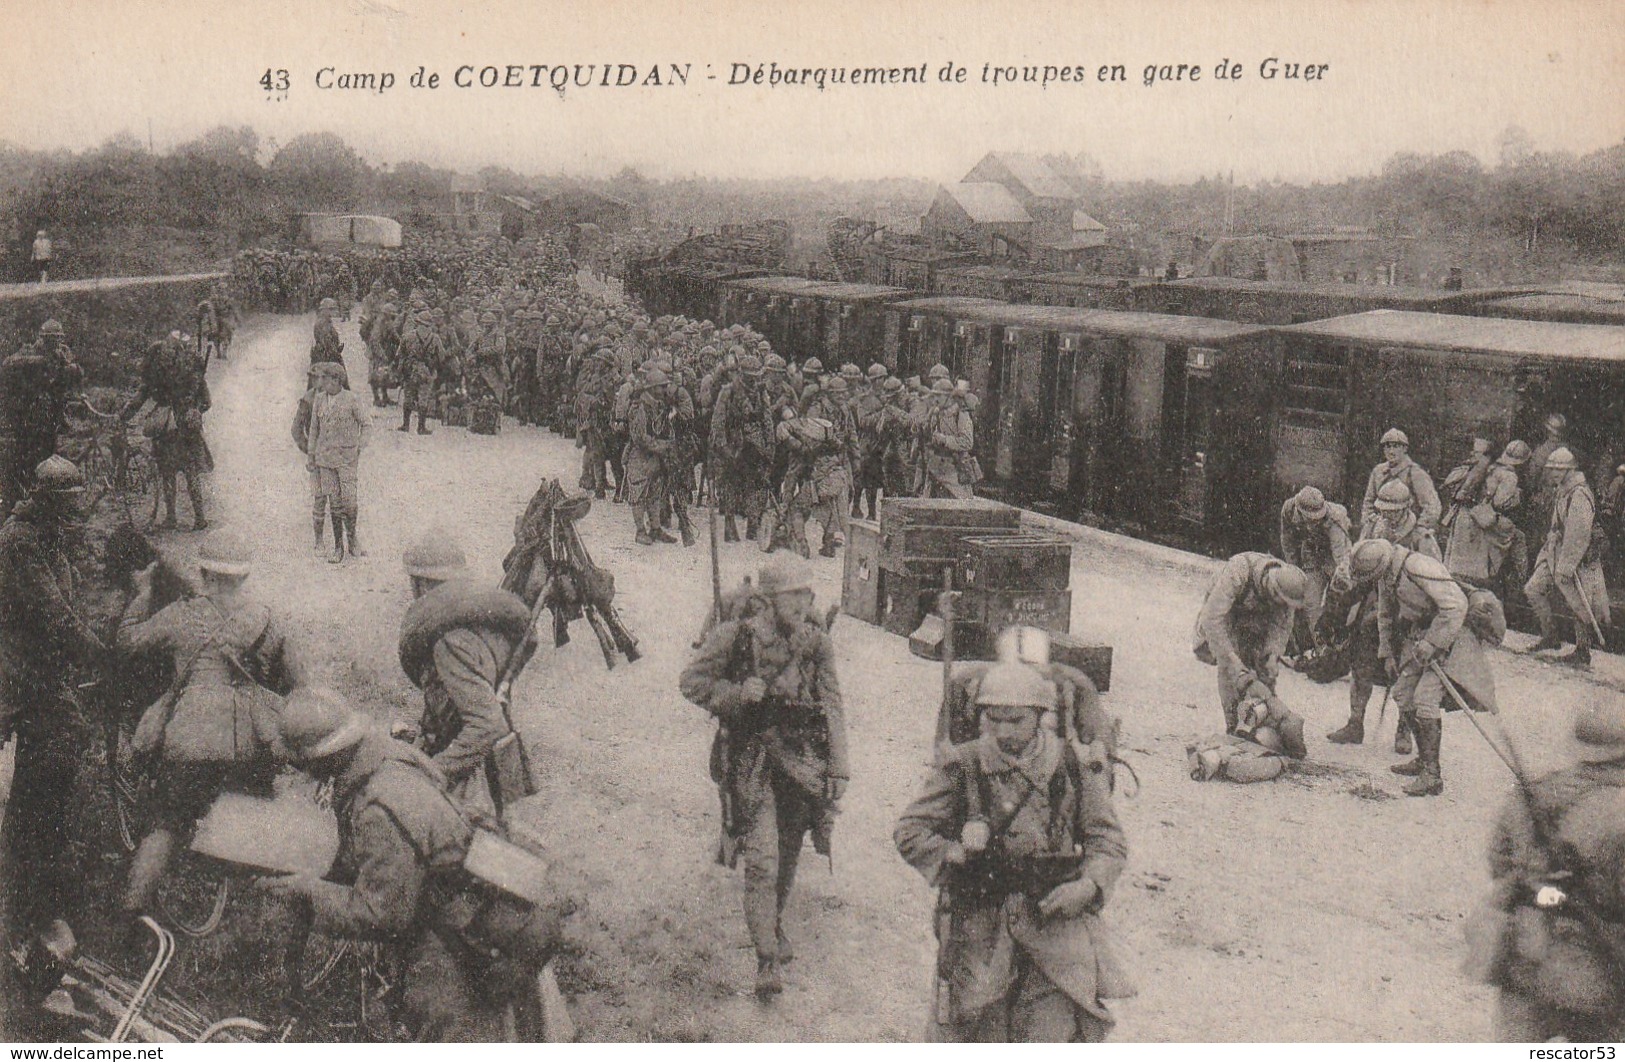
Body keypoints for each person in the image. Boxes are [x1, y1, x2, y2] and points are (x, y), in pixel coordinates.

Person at [256, 688, 555, 1041]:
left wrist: (307, 892)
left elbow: (383, 912)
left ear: (324, 757)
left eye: (304, 762)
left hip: (462, 938)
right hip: (496, 900)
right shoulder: (391, 759)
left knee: (444, 1026)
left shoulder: (376, 809)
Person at [894, 659, 1130, 1041]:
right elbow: (910, 831)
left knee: (1049, 1033)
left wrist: (1088, 886)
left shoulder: (1070, 765)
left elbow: (1108, 841)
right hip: (981, 926)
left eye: (1015, 720)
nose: (1003, 731)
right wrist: (956, 853)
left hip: (1053, 925)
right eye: (994, 719)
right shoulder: (964, 764)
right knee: (976, 1030)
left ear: (1039, 716)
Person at [114, 530, 305, 920]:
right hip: (250, 743)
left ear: (206, 574)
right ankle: (255, 921)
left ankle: (132, 916)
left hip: (192, 739)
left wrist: (143, 593)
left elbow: (127, 642)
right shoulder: (267, 620)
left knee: (166, 824)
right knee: (252, 821)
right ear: (244, 577)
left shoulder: (182, 614)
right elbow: (300, 686)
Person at [679, 561, 849, 998]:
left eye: (808, 596)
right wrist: (736, 695)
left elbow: (832, 704)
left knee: (789, 853)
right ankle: (766, 960)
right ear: (771, 600)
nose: (805, 604)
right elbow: (692, 682)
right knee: (761, 860)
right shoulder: (736, 636)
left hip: (801, 762)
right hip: (752, 761)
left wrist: (839, 767)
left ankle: (773, 921)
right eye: (795, 596)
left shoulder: (815, 642)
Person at [1473, 698, 1625, 1042]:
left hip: (1523, 952)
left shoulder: (1539, 790)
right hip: (1597, 971)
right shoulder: (1619, 812)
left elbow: (1499, 858)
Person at [0, 457, 106, 935]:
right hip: (18, 673)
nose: (73, 512)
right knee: (61, 744)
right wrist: (101, 652)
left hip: (39, 669)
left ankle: (27, 853)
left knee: (58, 746)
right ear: (45, 499)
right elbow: (53, 613)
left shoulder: (45, 532)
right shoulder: (20, 542)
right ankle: (27, 868)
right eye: (66, 503)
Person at [1346, 538, 1497, 796]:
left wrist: (1432, 642)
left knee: (1425, 698)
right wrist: (1387, 653)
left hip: (1452, 637)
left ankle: (1432, 775)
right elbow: (1386, 615)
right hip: (1420, 638)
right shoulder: (1387, 575)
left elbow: (1456, 605)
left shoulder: (1419, 567)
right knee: (1403, 693)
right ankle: (1423, 759)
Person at [398, 528, 531, 806]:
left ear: (422, 584)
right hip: (484, 763)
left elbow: (487, 724)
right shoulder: (480, 620)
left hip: (470, 778)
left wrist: (433, 772)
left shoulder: (450, 642)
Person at [1193, 552, 1308, 734]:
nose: (1283, 605)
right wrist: (1231, 659)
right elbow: (1212, 618)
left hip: (1255, 620)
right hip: (1225, 616)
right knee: (1232, 671)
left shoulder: (1287, 590)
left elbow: (1281, 627)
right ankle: (1233, 727)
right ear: (1272, 588)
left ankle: (1262, 723)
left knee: (1264, 670)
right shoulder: (1238, 571)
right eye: (1281, 601)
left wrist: (1273, 655)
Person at [1524, 446, 1609, 668]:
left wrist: (1567, 565)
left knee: (1580, 604)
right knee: (1533, 589)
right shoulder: (1563, 490)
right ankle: (1550, 636)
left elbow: (1578, 534)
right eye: (1551, 469)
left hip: (1574, 560)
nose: (1552, 473)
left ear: (1569, 470)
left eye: (1557, 470)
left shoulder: (1579, 494)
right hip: (1554, 552)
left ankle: (1583, 651)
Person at [119, 335, 212, 531]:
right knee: (190, 472)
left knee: (167, 473)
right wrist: (195, 409)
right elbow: (207, 402)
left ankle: (171, 518)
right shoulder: (194, 375)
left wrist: (123, 415)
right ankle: (199, 517)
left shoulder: (155, 376)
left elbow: (139, 399)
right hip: (187, 428)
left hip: (165, 430)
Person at [1447, 439, 1530, 591]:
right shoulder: (1510, 476)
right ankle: (1520, 583)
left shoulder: (1490, 467)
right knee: (1519, 538)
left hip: (1471, 514)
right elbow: (1500, 503)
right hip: (1485, 519)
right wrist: (1517, 497)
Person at [307, 362, 369, 563]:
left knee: (349, 502)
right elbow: (314, 430)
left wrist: (359, 446)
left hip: (346, 460)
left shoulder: (351, 400)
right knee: (333, 503)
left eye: (324, 378)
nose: (320, 382)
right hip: (325, 460)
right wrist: (311, 456)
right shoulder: (319, 400)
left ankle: (352, 539)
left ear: (336, 380)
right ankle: (338, 547)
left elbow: (366, 424)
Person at [626, 368, 694, 547]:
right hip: (640, 456)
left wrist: (670, 445)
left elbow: (668, 429)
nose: (665, 390)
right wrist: (662, 446)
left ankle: (655, 528)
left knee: (656, 492)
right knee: (638, 493)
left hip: (657, 457)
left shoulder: (661, 405)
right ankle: (640, 531)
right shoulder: (640, 406)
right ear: (652, 388)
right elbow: (639, 437)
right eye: (662, 387)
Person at [1277, 485, 1352, 644]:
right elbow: (1287, 540)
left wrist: (1342, 576)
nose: (1314, 522)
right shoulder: (1289, 509)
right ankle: (1321, 647)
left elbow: (1341, 554)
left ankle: (1342, 643)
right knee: (1311, 602)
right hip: (1311, 552)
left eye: (1317, 518)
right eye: (1310, 518)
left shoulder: (1335, 519)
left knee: (1342, 597)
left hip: (1334, 555)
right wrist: (1294, 567)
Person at [1359, 428, 1440, 538]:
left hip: (1408, 530)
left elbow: (1432, 506)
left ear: (1405, 448)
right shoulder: (1378, 472)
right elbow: (1368, 502)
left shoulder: (1416, 473)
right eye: (1388, 447)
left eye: (1396, 446)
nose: (1391, 451)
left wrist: (1420, 527)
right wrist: (1369, 521)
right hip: (1382, 529)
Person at [919, 378, 976, 499]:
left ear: (948, 397)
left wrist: (944, 440)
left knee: (959, 509)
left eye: (938, 396)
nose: (935, 400)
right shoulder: (936, 413)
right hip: (935, 468)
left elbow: (967, 442)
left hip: (955, 470)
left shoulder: (961, 414)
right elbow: (925, 434)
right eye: (934, 396)